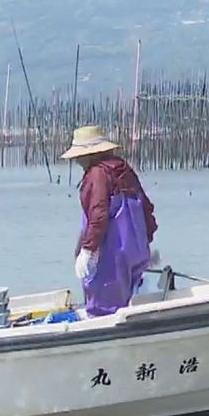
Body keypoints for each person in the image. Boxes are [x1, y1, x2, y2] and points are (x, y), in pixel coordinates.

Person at [61, 125, 159, 317]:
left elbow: (98, 214)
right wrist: (145, 242)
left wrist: (88, 250)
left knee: (104, 309)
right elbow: (146, 209)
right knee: (129, 302)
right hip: (137, 251)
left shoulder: (97, 175)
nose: (77, 161)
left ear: (89, 155)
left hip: (112, 255)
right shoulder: (123, 171)